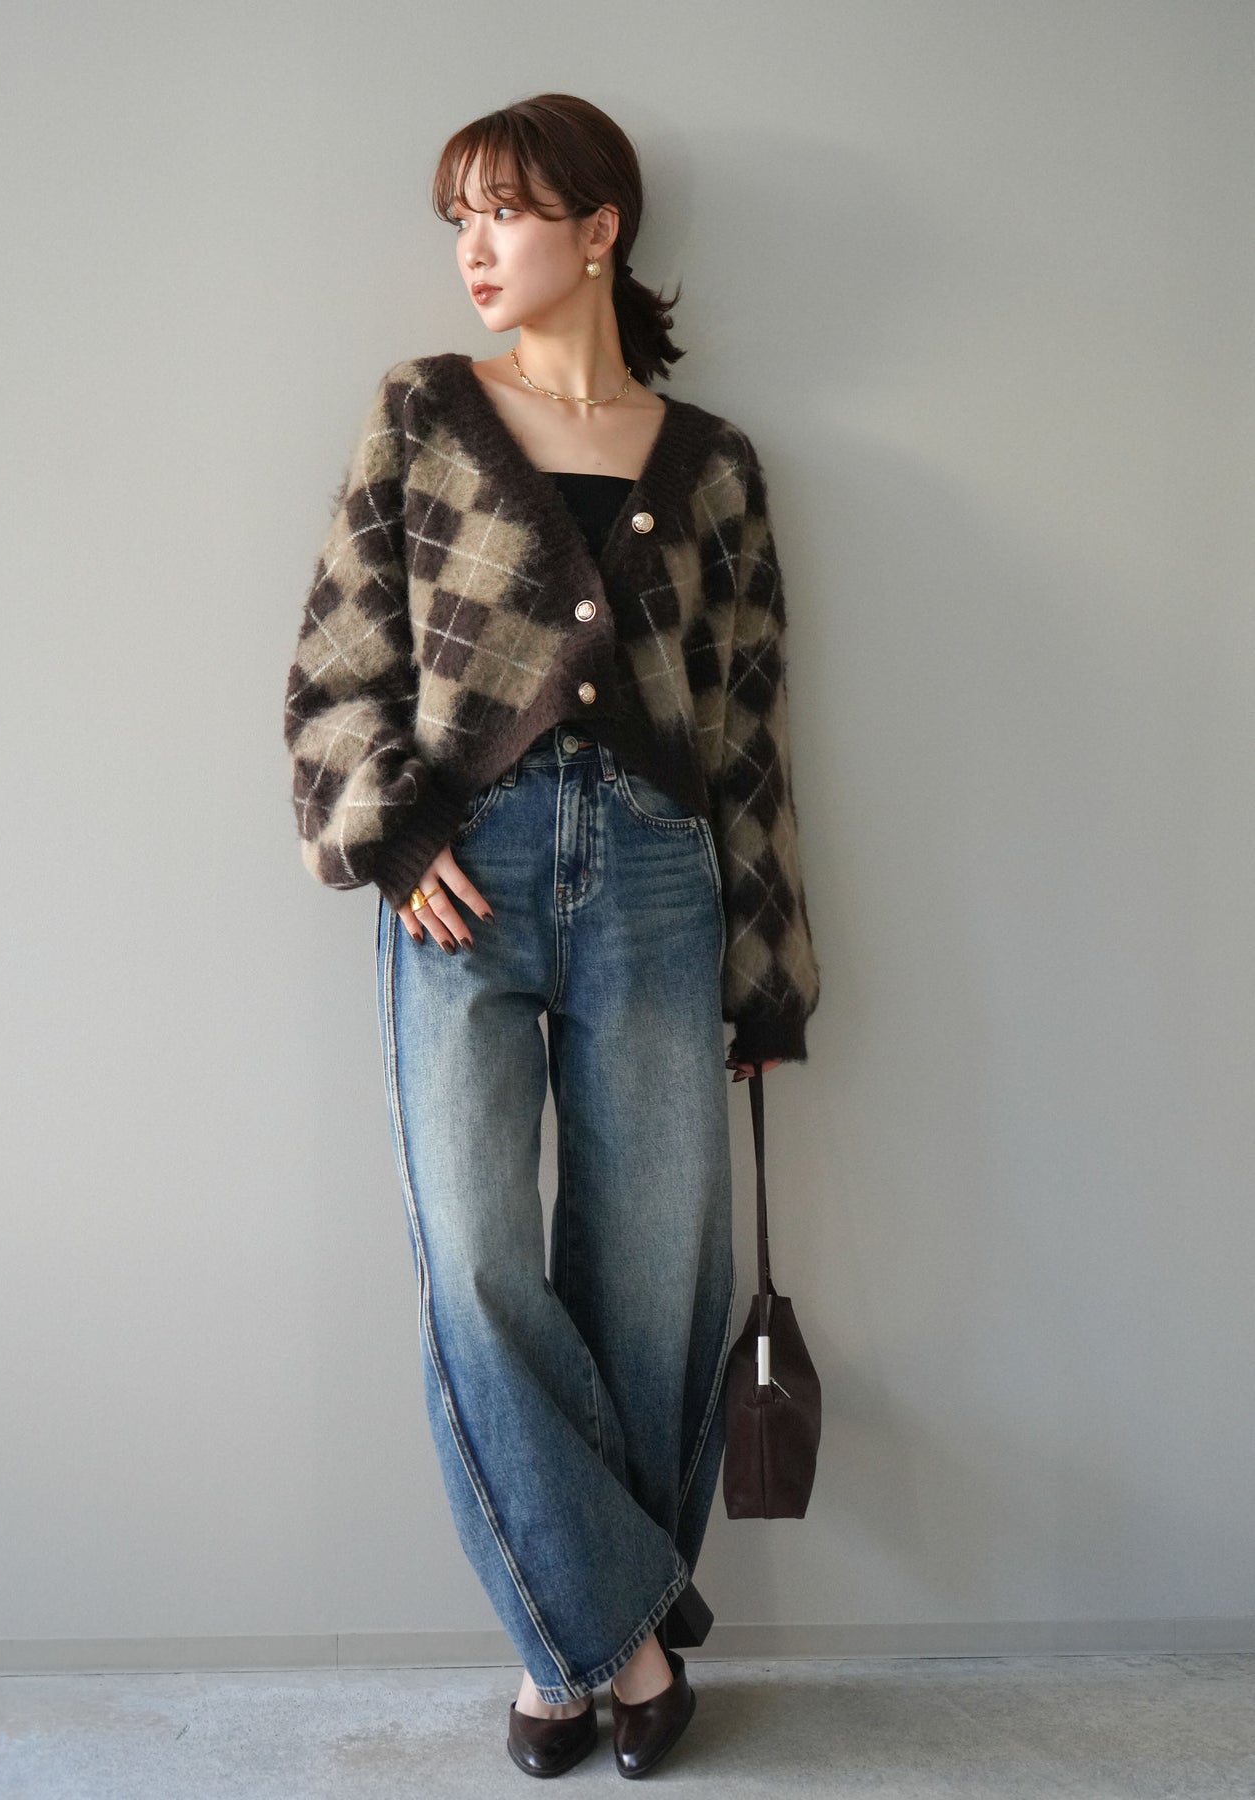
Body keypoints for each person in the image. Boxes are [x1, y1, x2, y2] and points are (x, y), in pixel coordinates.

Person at [283, 92, 820, 1780]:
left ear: (599, 230)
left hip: (659, 879)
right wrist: (391, 834)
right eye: (459, 216)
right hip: (465, 877)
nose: (474, 246)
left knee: (653, 1280)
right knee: (473, 1264)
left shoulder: (712, 463)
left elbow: (746, 732)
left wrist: (766, 977)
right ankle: (618, 1639)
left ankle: (561, 1655)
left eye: (506, 211)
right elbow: (339, 659)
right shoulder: (423, 412)